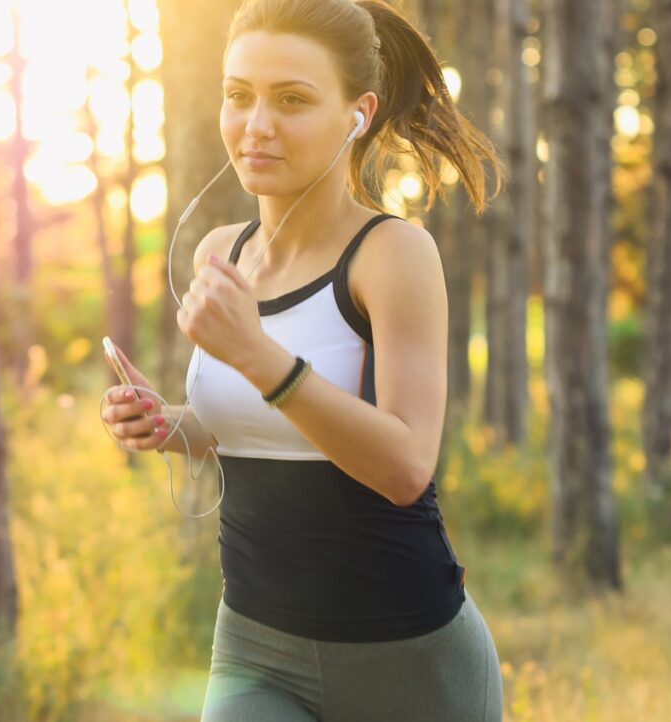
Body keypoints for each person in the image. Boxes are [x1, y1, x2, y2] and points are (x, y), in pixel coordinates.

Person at [102, 0, 505, 719]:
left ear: (358, 113)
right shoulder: (218, 252)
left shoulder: (391, 255)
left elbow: (406, 466)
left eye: (292, 100)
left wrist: (259, 357)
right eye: (238, 96)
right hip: (256, 647)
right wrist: (168, 423)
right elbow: (254, 427)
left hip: (407, 656)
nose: (256, 125)